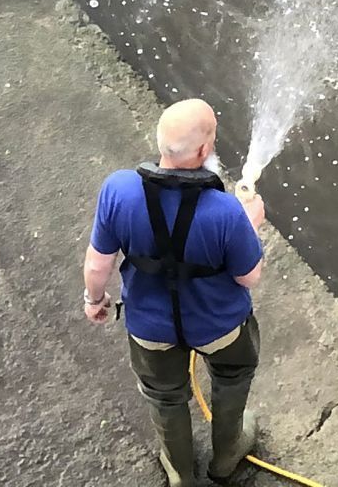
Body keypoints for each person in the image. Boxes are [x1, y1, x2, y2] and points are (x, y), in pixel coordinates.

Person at [83, 98, 266, 487]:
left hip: (150, 330)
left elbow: (98, 263)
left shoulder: (119, 189)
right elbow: (249, 278)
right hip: (220, 327)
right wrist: (249, 224)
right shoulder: (226, 211)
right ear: (203, 151)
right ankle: (227, 455)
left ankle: (181, 471)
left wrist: (94, 300)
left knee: (164, 396)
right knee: (232, 376)